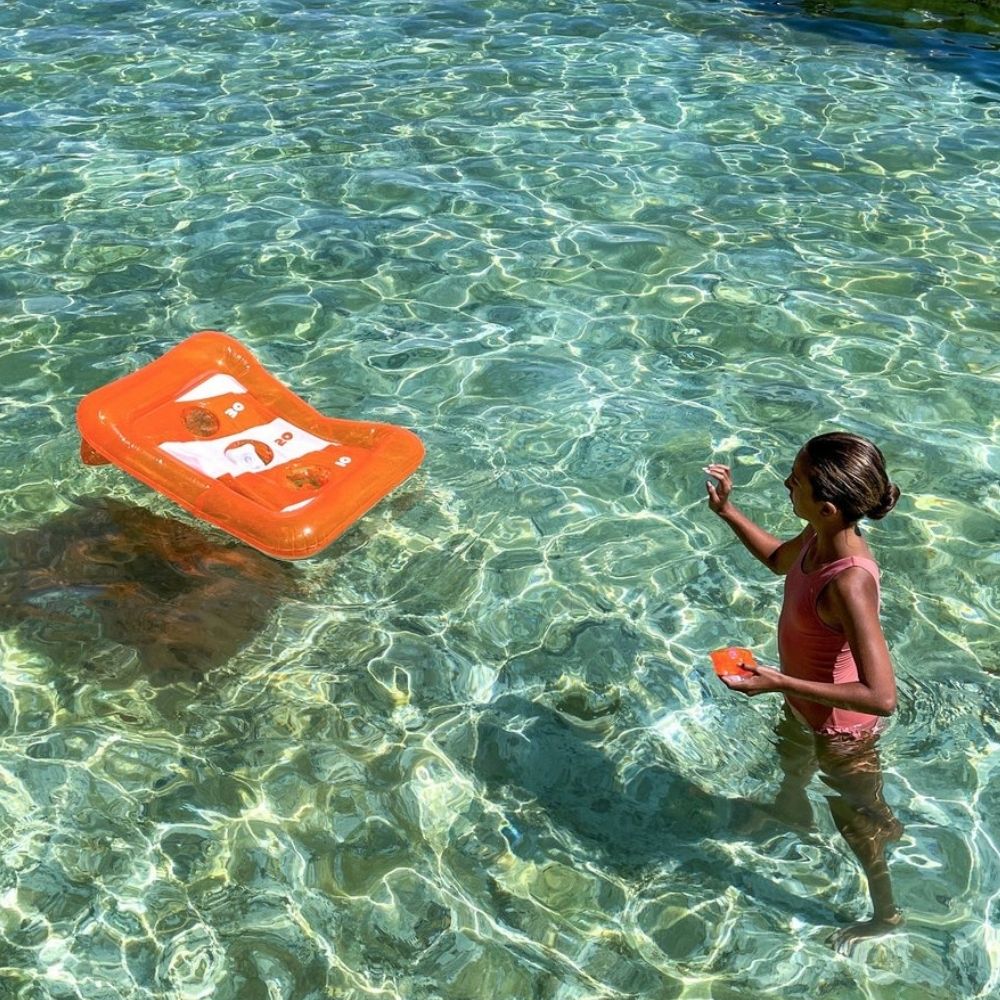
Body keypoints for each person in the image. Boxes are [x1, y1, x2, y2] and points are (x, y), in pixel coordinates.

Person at [705, 431, 904, 950]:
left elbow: (883, 697)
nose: (787, 482)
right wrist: (728, 512)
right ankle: (793, 809)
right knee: (793, 762)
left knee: (856, 826)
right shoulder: (819, 537)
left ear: (829, 507)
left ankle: (885, 914)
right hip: (802, 706)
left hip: (843, 732)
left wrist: (779, 681)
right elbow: (776, 560)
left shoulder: (848, 581)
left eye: (797, 479)